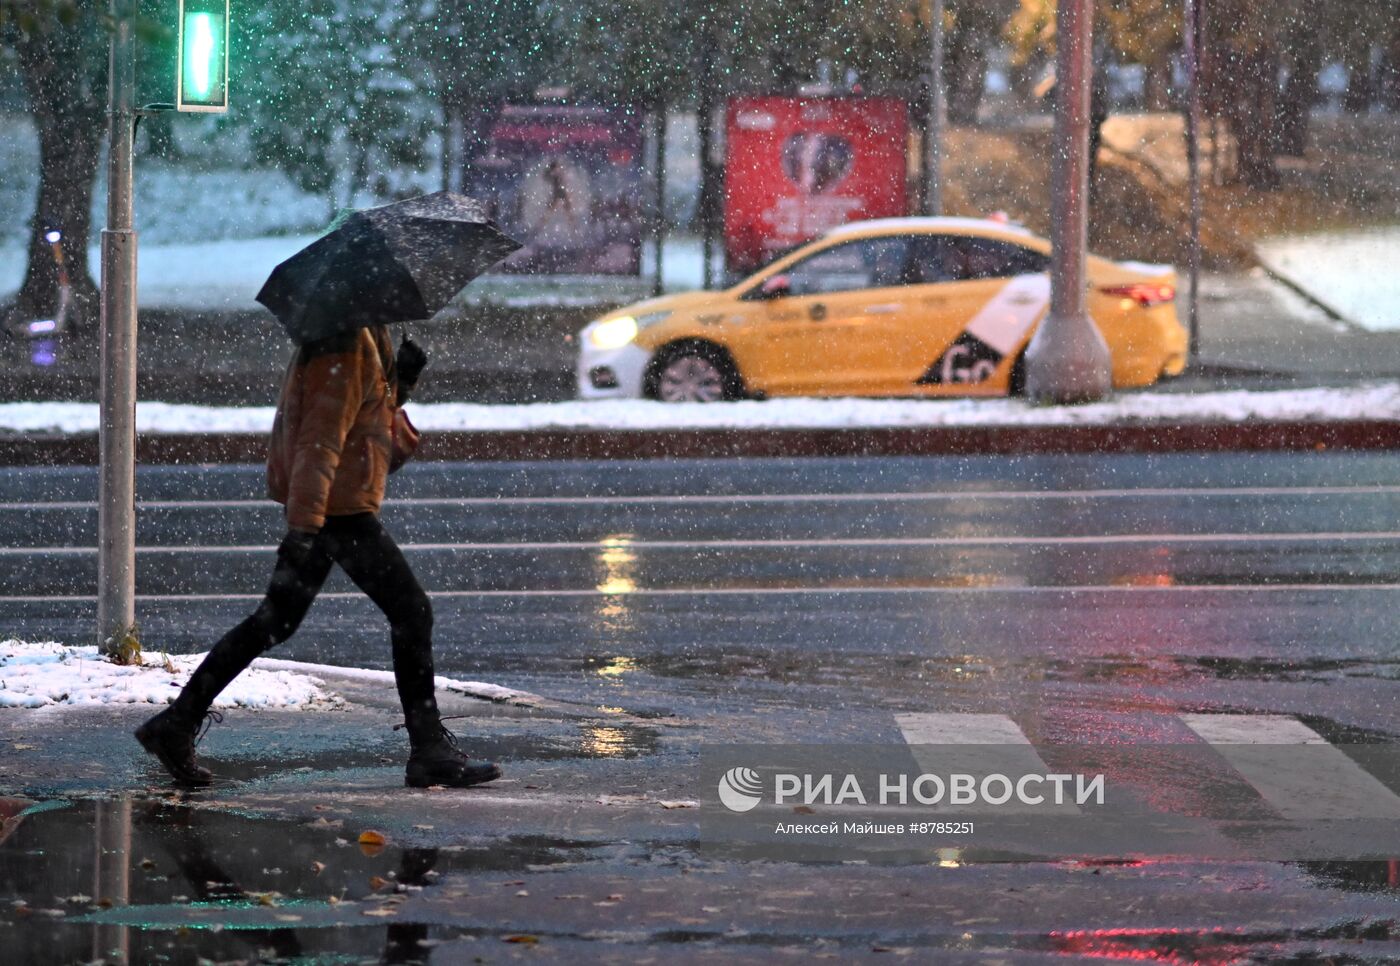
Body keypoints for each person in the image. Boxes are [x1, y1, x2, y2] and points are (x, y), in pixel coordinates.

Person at [135, 324, 501, 789]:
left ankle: (177, 723)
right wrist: (304, 529)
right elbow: (319, 443)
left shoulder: (363, 338)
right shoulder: (344, 345)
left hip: (337, 506)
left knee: (273, 622)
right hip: (338, 512)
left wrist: (400, 384)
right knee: (412, 612)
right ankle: (428, 750)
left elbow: (362, 429)